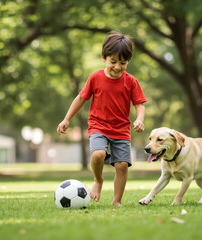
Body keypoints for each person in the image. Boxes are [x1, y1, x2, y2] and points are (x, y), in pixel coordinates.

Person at [57, 31, 147, 206]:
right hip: (98, 125)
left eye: (123, 63)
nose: (117, 67)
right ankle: (98, 180)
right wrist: (67, 119)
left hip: (121, 129)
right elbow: (81, 98)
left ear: (128, 61)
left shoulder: (131, 81)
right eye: (113, 61)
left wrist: (140, 119)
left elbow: (139, 104)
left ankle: (116, 201)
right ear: (104, 58)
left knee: (121, 165)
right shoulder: (95, 78)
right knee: (98, 154)